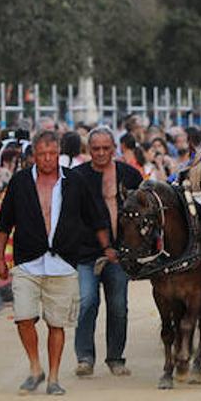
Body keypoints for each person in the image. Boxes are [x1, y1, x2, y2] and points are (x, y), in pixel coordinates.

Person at [0, 130, 115, 397]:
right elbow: (4, 223)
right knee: (24, 317)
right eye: (41, 154)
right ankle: (35, 367)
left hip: (62, 262)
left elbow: (95, 217)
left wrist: (107, 247)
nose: (47, 159)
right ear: (33, 155)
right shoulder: (19, 182)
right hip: (27, 261)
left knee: (56, 323)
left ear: (59, 153)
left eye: (52, 154)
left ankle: (53, 377)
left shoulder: (75, 182)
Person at [71, 126, 141, 377]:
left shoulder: (130, 175)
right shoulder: (76, 178)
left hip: (120, 256)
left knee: (118, 306)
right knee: (87, 302)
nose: (101, 153)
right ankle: (85, 357)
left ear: (114, 149)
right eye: (96, 149)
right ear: (88, 150)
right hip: (86, 254)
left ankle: (115, 358)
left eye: (105, 148)